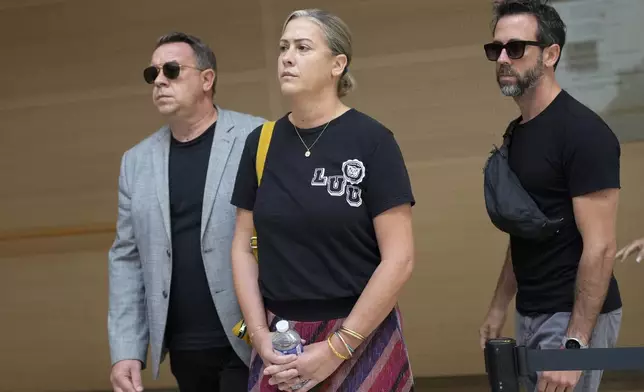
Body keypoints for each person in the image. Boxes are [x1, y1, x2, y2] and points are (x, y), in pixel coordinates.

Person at [230, 8, 416, 392]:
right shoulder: (260, 144)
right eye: (283, 47)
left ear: (337, 64)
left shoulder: (373, 141)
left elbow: (400, 258)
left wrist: (337, 347)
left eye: (302, 47)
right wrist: (260, 336)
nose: (286, 57)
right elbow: (242, 248)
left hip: (360, 333)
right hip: (280, 342)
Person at [107, 31, 265, 392]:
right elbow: (126, 260)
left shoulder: (257, 136)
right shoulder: (136, 162)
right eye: (153, 74)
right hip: (184, 345)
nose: (160, 80)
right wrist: (126, 349)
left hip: (251, 336)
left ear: (207, 79)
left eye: (172, 70)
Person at [479, 1, 622, 391]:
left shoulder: (584, 134)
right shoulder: (519, 132)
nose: (503, 59)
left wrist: (574, 345)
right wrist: (498, 306)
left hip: (573, 313)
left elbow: (602, 248)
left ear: (551, 54)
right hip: (532, 309)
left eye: (516, 48)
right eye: (497, 50)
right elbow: (527, 228)